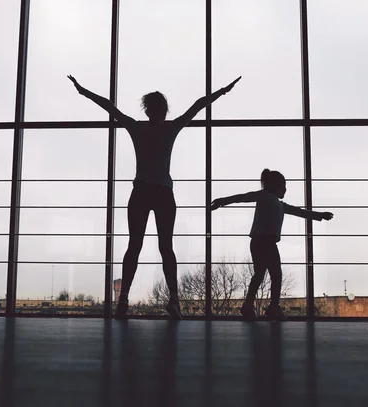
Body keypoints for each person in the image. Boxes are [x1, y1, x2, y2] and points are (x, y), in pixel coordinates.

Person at [68, 74, 241, 319]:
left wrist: (84, 91)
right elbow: (199, 105)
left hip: (141, 192)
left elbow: (109, 106)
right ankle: (173, 300)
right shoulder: (171, 127)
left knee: (134, 246)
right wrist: (222, 91)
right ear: (164, 110)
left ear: (147, 109)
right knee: (166, 247)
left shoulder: (136, 127)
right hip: (162, 194)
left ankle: (124, 299)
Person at [211, 169, 334, 321]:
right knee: (275, 275)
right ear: (277, 186)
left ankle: (249, 305)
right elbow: (299, 212)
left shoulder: (272, 201)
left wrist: (222, 201)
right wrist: (320, 215)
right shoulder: (271, 201)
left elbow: (241, 198)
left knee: (260, 275)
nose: (286, 189)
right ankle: (272, 306)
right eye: (284, 186)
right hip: (266, 242)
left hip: (258, 242)